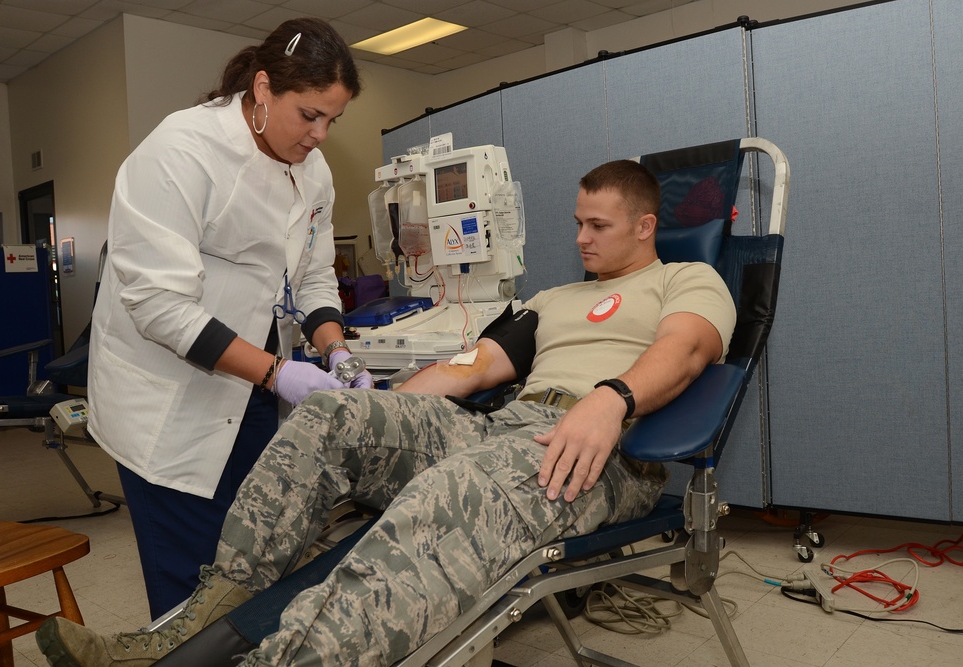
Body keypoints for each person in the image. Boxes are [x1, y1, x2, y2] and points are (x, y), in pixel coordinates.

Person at [40, 159, 735, 666]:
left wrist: (610, 401)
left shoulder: (687, 279)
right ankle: (196, 627)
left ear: (645, 225)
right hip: (509, 427)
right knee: (329, 419)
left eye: (598, 225)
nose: (581, 237)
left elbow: (686, 349)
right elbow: (474, 369)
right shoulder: (552, 299)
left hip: (601, 449)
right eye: (578, 223)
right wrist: (375, 414)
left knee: (443, 494)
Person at [86, 18, 372, 620]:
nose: (320, 135)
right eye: (309, 115)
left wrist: (335, 349)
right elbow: (160, 306)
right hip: (168, 405)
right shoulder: (181, 150)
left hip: (252, 394)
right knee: (191, 590)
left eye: (333, 120)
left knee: (253, 563)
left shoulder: (313, 171)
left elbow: (314, 276)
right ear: (263, 88)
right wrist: (277, 373)